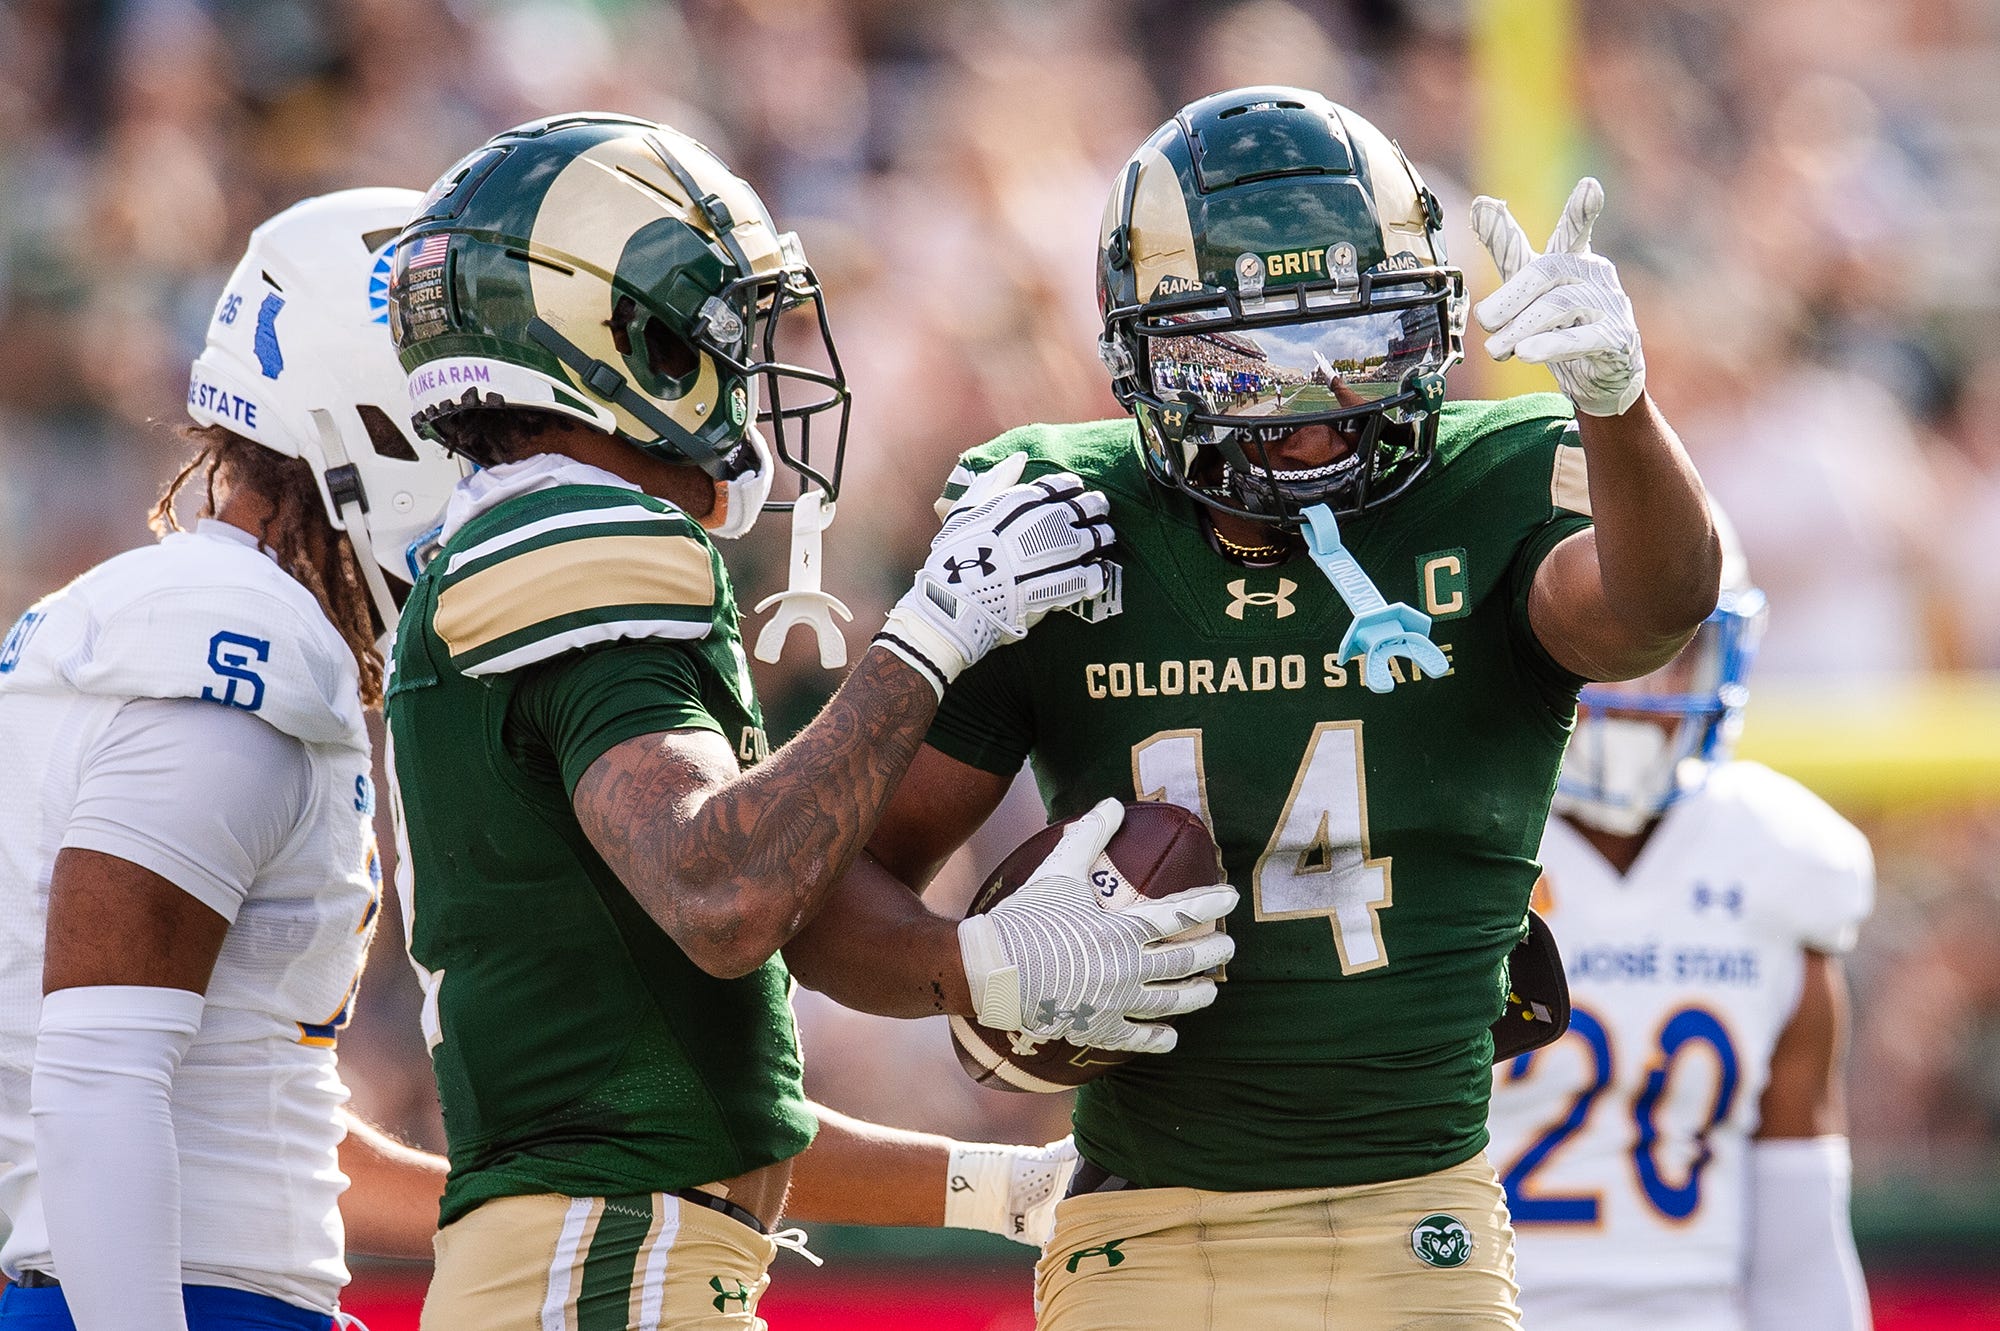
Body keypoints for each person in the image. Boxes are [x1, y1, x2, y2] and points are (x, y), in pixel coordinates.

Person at [832, 86, 1722, 1330]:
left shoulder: (1499, 478)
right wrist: (967, 962)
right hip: (1135, 1233)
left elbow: (1653, 605)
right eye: (1239, 358)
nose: (1308, 413)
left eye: (1357, 343)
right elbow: (830, 897)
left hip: (1422, 1230)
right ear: (1139, 355)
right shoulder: (1055, 520)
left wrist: (1619, 403)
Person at [380, 112, 1236, 1329]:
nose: (756, 369)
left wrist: (1009, 1184)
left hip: (601, 1256)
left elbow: (682, 1098)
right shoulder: (580, 532)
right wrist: (936, 631)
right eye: (723, 331)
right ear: (618, 340)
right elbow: (724, 895)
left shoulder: (513, 542)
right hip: (602, 1268)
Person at [0, 190, 464, 1331]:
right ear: (380, 427)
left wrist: (513, 1211)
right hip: (164, 1295)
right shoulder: (230, 652)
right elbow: (101, 1078)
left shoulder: (197, 614)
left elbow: (248, 1113)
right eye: (479, 432)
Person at [1487, 521, 1874, 1330]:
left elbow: (1801, 1244)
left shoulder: (1776, 857)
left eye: (1668, 651)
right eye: (1601, 650)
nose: (1636, 691)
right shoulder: (1461, 840)